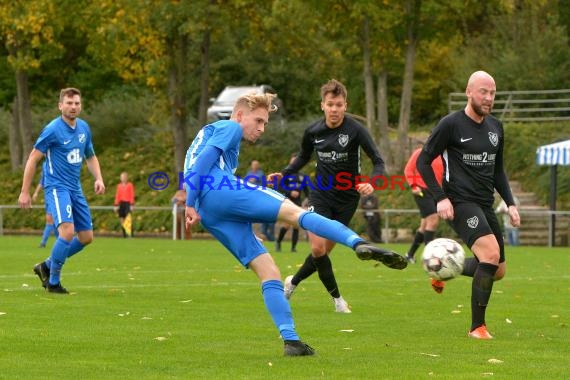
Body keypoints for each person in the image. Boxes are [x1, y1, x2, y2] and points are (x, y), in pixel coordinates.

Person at [183, 92, 406, 356]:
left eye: (265, 123)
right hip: (207, 194)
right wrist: (189, 201)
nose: (262, 129)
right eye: (259, 121)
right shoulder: (230, 127)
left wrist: (202, 200)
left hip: (210, 210)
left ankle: (291, 341)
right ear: (240, 115)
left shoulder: (216, 135)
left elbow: (211, 174)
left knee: (268, 270)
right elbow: (203, 167)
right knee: (295, 213)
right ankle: (357, 242)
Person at [274, 79, 399, 314]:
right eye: (330, 104)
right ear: (322, 105)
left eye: (339, 105)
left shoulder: (356, 130)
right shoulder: (313, 131)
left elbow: (379, 162)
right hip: (320, 194)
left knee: (321, 253)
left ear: (345, 106)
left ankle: (293, 282)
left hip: (347, 199)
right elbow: (302, 158)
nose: (334, 109)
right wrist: (283, 174)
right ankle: (338, 300)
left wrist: (372, 183)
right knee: (318, 249)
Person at [416, 71, 520, 340]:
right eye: (483, 92)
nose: (488, 97)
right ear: (469, 92)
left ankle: (442, 267)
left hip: (485, 203)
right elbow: (423, 162)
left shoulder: (496, 127)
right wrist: (440, 197)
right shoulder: (450, 124)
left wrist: (510, 203)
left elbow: (498, 170)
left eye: (493, 93)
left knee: (497, 270)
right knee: (489, 254)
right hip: (460, 202)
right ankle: (477, 327)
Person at [18, 87, 106, 294]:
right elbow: (32, 158)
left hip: (75, 188)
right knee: (66, 231)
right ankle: (53, 282)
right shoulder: (52, 130)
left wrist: (99, 178)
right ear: (60, 106)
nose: (73, 106)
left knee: (86, 237)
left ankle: (46, 266)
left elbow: (90, 156)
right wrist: (25, 191)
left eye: (76, 103)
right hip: (56, 187)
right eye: (69, 103)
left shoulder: (84, 128)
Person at [403, 144, 444, 263]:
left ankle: (409, 255)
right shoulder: (420, 152)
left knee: (424, 225)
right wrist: (413, 185)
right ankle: (429, 257)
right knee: (433, 219)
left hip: (436, 192)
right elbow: (408, 169)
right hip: (421, 191)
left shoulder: (443, 156)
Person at [275, 154, 309, 253]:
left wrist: (307, 200)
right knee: (287, 225)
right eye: (293, 161)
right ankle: (278, 242)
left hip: (297, 203)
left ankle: (293, 248)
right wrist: (290, 192)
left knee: (296, 225)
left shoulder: (302, 176)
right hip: (287, 202)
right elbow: (279, 187)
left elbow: (307, 191)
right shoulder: (285, 174)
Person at [246, 160, 275, 241]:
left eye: (256, 165)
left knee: (265, 214)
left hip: (258, 196)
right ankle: (262, 233)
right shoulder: (248, 173)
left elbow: (262, 185)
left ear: (258, 166)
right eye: (253, 165)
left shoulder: (260, 174)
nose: (254, 166)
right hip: (250, 196)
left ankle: (268, 235)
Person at [32, 178, 59, 248]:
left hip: (54, 198)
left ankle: (43, 243)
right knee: (53, 223)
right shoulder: (45, 169)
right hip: (48, 199)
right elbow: (42, 182)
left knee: (50, 221)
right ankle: (60, 241)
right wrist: (36, 193)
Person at [114, 171, 135, 238]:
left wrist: (132, 204)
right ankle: (124, 234)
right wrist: (116, 205)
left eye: (124, 177)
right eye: (122, 177)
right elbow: (117, 195)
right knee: (121, 219)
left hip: (128, 203)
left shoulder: (130, 185)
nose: (123, 178)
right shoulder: (119, 186)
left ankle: (130, 234)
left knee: (128, 219)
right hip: (121, 203)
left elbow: (132, 194)